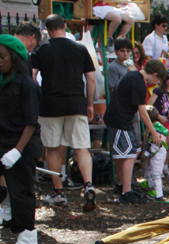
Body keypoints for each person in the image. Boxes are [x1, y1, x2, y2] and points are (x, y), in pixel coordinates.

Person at [31, 15, 96, 211]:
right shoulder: (80, 48)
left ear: (47, 30)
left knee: (52, 148)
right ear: (65, 26)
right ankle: (88, 185)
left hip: (50, 105)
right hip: (76, 103)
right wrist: (90, 103)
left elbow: (33, 77)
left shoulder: (41, 50)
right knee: (81, 147)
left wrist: (38, 99)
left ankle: (59, 192)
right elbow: (91, 79)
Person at [0, 35, 42, 244]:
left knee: (22, 190)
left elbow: (30, 121)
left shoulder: (26, 84)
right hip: (4, 142)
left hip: (21, 145)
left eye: (3, 56)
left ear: (14, 58)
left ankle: (27, 239)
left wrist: (17, 150)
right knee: (11, 190)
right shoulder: (3, 82)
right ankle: (7, 214)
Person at [103, 59, 165, 204]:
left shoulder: (134, 76)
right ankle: (126, 191)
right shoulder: (138, 83)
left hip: (117, 119)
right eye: (157, 81)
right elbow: (143, 113)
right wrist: (154, 133)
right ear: (155, 75)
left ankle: (121, 183)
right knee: (131, 153)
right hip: (120, 120)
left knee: (123, 153)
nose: (155, 84)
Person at [148, 68, 169, 177]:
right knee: (158, 144)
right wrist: (158, 116)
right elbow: (149, 105)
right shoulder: (158, 91)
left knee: (167, 145)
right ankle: (157, 168)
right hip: (158, 122)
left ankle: (165, 167)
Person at [141, 105, 169, 198]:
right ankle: (150, 183)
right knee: (149, 168)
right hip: (154, 154)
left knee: (156, 173)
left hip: (157, 154)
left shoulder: (156, 131)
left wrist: (146, 154)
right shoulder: (153, 127)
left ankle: (158, 192)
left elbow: (156, 146)